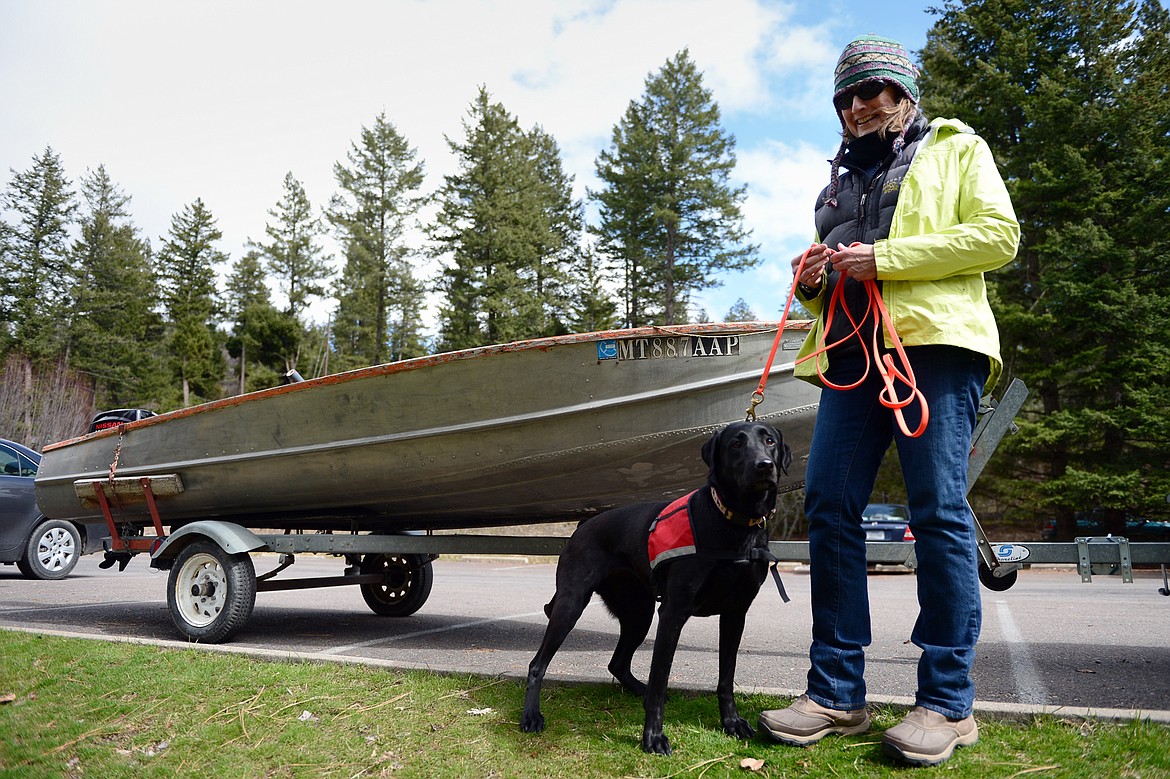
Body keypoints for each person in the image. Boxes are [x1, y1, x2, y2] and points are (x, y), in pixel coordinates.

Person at [756, 34, 1019, 767]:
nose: (859, 104)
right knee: (827, 504)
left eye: (873, 89)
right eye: (846, 95)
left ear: (904, 94)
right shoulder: (835, 186)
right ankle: (836, 692)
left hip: (934, 348)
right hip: (849, 353)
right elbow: (833, 284)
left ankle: (947, 703)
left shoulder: (956, 148)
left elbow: (999, 236)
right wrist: (815, 284)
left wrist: (886, 259)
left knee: (935, 510)